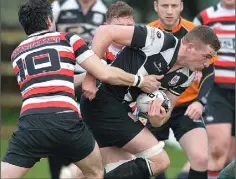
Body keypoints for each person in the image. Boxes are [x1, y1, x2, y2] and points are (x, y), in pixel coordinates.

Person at [1, 0, 161, 179]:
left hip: (30, 123)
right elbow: (104, 73)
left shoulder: (17, 53)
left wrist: (86, 77)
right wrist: (140, 81)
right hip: (65, 120)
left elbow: (55, 81)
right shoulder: (67, 38)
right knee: (95, 172)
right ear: (49, 20)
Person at [80, 19, 220, 178]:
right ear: (190, 47)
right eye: (207, 56)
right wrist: (91, 76)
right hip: (103, 100)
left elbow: (166, 112)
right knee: (159, 161)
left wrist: (157, 119)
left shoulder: (188, 75)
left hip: (119, 109)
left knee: (120, 169)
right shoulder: (158, 40)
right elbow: (104, 31)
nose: (208, 63)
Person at [60, 0, 136, 179]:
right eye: (119, 26)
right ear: (105, 27)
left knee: (117, 166)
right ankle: (72, 173)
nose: (124, 31)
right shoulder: (95, 53)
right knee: (113, 166)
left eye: (129, 26)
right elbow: (87, 80)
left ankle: (72, 173)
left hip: (125, 116)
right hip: (99, 117)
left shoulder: (139, 51)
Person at [147, 0, 216, 179]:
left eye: (174, 6)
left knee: (202, 158)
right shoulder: (145, 34)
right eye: (165, 5)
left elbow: (210, 72)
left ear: (181, 6)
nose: (169, 11)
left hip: (186, 107)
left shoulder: (198, 34)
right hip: (153, 105)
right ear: (156, 6)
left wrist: (199, 101)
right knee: (153, 164)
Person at [51, 0, 107, 177]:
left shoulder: (107, 11)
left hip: (95, 80)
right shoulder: (57, 8)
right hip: (62, 78)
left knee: (95, 136)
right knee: (57, 133)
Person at [193, 0, 235, 178]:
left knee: (232, 160)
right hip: (217, 90)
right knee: (217, 149)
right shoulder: (206, 18)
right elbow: (191, 50)